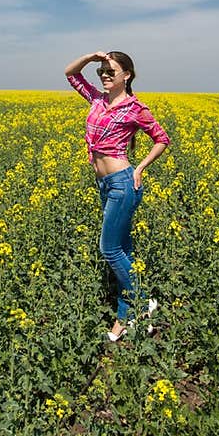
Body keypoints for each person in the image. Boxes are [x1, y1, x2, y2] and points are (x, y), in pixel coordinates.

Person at [64, 49, 171, 341]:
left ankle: (143, 302)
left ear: (127, 75)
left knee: (109, 249)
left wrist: (140, 170)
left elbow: (161, 139)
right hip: (105, 184)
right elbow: (71, 74)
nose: (105, 76)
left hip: (123, 183)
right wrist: (89, 58)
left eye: (111, 71)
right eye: (102, 72)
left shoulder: (136, 108)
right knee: (124, 251)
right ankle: (124, 318)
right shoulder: (97, 99)